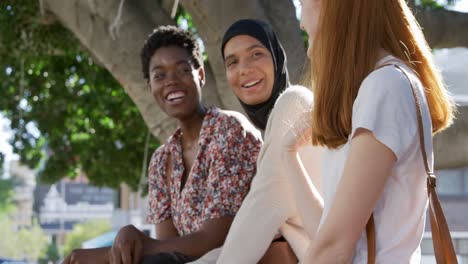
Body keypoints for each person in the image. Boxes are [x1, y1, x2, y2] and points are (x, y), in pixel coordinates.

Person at [63, 25, 262, 264]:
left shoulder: (228, 130)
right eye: (159, 75)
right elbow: (167, 252)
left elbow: (214, 239)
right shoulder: (161, 160)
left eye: (182, 70)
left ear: (200, 75)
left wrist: (110, 252)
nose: (172, 82)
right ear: (150, 87)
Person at [284, 0, 455, 263]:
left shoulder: (386, 86)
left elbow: (336, 247)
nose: (300, 13)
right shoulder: (382, 86)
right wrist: (288, 155)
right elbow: (328, 236)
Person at [190, 19, 323, 264]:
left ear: (276, 58)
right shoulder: (269, 129)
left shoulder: (294, 104)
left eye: (256, 54)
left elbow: (262, 209)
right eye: (232, 62)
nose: (244, 69)